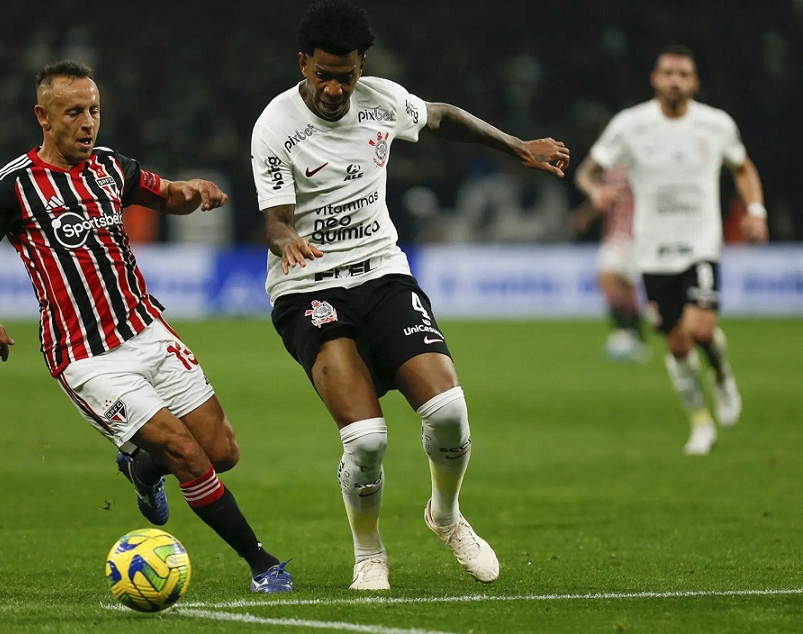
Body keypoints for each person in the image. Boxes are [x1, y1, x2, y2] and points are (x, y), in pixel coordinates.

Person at [0, 60, 292, 593]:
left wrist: (192, 190)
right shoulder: (11, 186)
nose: (88, 123)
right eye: (74, 112)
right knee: (187, 454)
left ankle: (143, 470)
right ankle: (262, 562)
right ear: (43, 116)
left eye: (94, 111)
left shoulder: (110, 167)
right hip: (86, 358)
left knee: (222, 452)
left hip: (146, 330)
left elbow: (162, 192)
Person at [250, 0, 569, 590]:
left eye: (345, 75)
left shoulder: (381, 99)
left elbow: (443, 117)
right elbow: (273, 222)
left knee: (448, 412)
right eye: (323, 74)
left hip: (382, 273)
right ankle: (369, 552)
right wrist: (287, 239)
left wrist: (518, 146)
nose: (334, 88)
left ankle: (444, 515)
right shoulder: (275, 126)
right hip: (309, 287)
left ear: (360, 66)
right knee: (367, 439)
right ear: (303, 65)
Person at [575, 45, 769, 456]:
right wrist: (598, 192)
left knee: (700, 330)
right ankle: (700, 424)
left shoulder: (716, 125)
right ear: (656, 79)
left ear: (694, 83)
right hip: (652, 251)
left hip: (700, 243)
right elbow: (587, 171)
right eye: (668, 73)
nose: (675, 80)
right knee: (678, 344)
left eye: (683, 74)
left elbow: (743, 167)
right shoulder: (631, 125)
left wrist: (756, 210)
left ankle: (720, 374)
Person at [571, 166, 648, 362]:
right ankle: (628, 335)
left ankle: (630, 336)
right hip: (615, 235)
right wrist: (586, 215)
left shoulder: (642, 164)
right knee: (612, 280)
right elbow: (604, 199)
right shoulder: (611, 170)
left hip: (637, 235)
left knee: (622, 285)